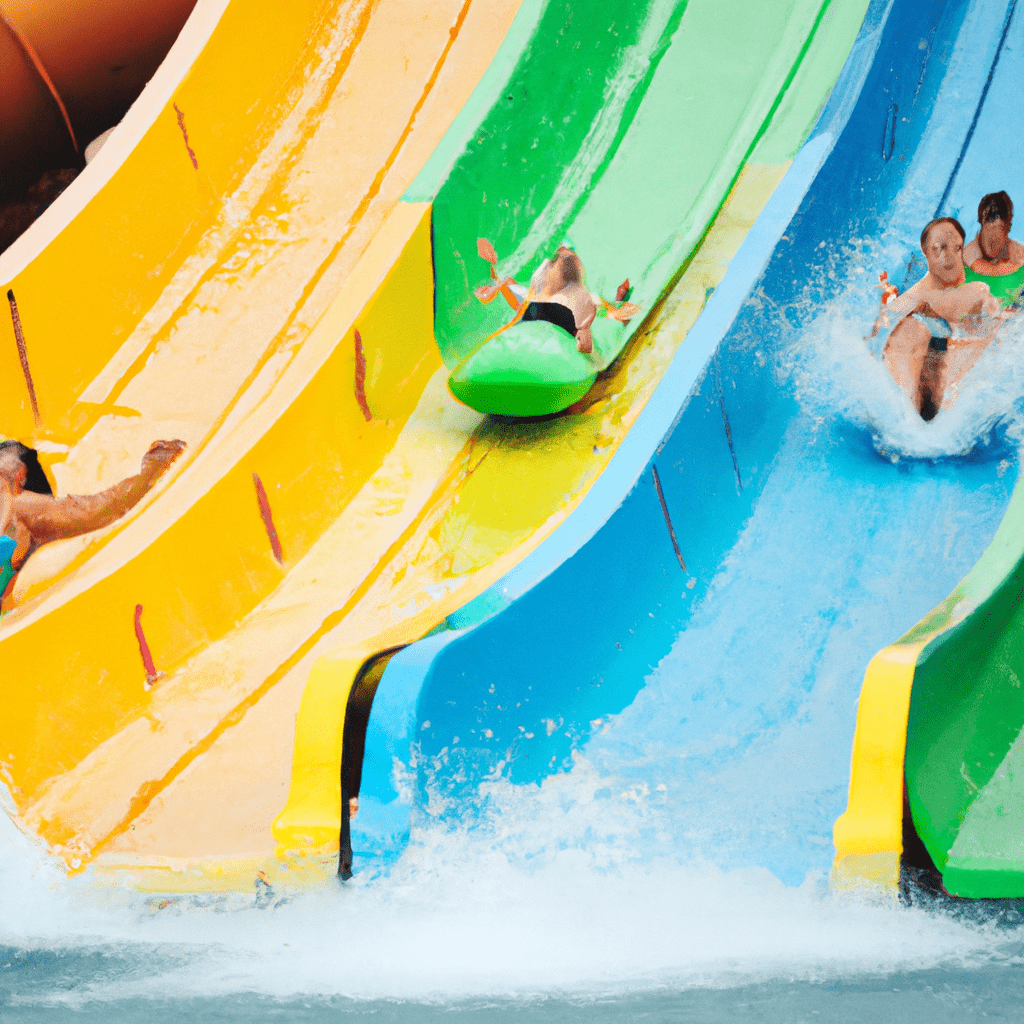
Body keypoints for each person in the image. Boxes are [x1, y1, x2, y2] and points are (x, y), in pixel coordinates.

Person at [0, 438, 186, 607]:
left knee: (100, 512)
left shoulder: (21, 509)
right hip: (18, 546)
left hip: (27, 523)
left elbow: (103, 509)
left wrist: (150, 472)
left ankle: (154, 466)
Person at [870, 218, 1002, 419]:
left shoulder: (940, 299)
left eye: (957, 248)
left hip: (924, 401)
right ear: (926, 252)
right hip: (910, 405)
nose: (949, 258)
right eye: (940, 249)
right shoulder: (921, 299)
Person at [474, 239, 638, 354]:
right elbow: (496, 290)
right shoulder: (502, 279)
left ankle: (618, 304)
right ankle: (617, 303)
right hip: (533, 305)